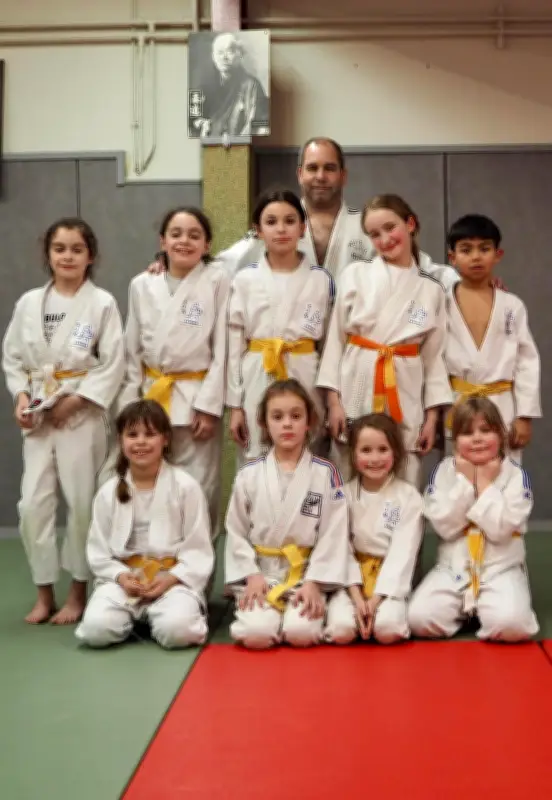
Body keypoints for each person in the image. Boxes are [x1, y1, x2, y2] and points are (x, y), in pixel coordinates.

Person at [2, 218, 125, 624]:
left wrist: (75, 401)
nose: (67, 256)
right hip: (39, 415)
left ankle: (77, 593)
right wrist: (21, 397)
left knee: (82, 503)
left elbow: (113, 363)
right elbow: (13, 358)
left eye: (76, 249)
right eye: (59, 248)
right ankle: (43, 593)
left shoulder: (101, 303)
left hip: (82, 414)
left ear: (91, 256)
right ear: (48, 254)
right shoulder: (28, 303)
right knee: (31, 505)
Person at [317, 194, 452, 486]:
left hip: (405, 385)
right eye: (374, 234)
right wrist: (334, 403)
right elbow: (335, 342)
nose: (385, 239)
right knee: (351, 463)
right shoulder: (354, 275)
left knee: (404, 468)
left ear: (410, 224)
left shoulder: (432, 289)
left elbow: (434, 360)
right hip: (357, 379)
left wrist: (431, 419)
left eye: (390, 227)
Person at [117, 207, 229, 534]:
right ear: (162, 241)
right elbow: (131, 348)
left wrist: (209, 407)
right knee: (153, 485)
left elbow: (223, 348)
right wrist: (130, 403)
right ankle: (157, 556)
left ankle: (199, 562)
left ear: (207, 245)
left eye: (194, 235)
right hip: (151, 396)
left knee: (200, 486)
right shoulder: (142, 284)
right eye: (176, 234)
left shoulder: (218, 280)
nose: (184, 241)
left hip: (196, 399)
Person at [76, 400, 214, 649]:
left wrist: (171, 579)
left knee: (178, 632)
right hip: (125, 580)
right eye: (132, 435)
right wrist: (121, 576)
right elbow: (99, 551)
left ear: (166, 439)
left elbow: (198, 549)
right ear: (121, 441)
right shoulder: (109, 492)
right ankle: (133, 618)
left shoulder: (186, 487)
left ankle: (158, 618)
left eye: (150, 434)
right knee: (95, 631)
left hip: (172, 580)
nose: (141, 442)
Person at [224, 379, 349, 649]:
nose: (287, 424)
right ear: (264, 423)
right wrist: (251, 575)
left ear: (309, 422)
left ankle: (314, 605)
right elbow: (235, 530)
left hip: (305, 575)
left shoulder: (326, 473)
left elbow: (333, 533)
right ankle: (266, 613)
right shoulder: (249, 474)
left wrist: (314, 582)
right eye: (277, 417)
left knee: (301, 634)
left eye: (296, 416)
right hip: (262, 575)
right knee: (256, 635)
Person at [409, 396, 538, 642]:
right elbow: (445, 527)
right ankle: (469, 611)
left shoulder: (515, 475)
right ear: (455, 440)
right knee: (418, 619)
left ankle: (488, 606)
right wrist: (466, 483)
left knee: (512, 624)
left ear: (501, 434)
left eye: (486, 430)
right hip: (453, 569)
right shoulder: (444, 471)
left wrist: (485, 484)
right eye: (467, 433)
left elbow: (500, 531)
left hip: (500, 568)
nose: (477, 438)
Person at [227, 189, 334, 462]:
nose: (281, 229)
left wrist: (332, 399)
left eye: (289, 221)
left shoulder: (321, 280)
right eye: (271, 222)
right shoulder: (244, 280)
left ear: (302, 228)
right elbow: (233, 348)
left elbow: (331, 345)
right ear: (258, 230)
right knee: (256, 454)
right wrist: (235, 406)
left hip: (305, 370)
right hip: (257, 370)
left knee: (308, 453)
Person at [443, 214, 541, 462]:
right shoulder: (438, 302)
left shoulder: (512, 305)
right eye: (466, 250)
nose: (476, 257)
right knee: (459, 474)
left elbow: (527, 363)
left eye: (484, 249)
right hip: (458, 403)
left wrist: (524, 416)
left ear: (498, 255)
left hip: (502, 406)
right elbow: (429, 355)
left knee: (505, 473)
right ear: (452, 258)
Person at [324, 413, 424, 645]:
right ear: (353, 454)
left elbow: (403, 552)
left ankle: (381, 611)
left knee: (388, 630)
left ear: (395, 452)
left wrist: (376, 600)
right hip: (350, 583)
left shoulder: (409, 497)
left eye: (383, 449)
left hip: (388, 582)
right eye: (366, 450)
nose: (375, 458)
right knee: (341, 631)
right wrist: (358, 599)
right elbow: (340, 548)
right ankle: (353, 611)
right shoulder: (342, 495)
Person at [189, 33, 269, 139]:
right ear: (213, 57)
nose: (224, 57)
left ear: (240, 55)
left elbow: (261, 124)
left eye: (230, 51)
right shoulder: (202, 86)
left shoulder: (252, 85)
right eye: (219, 52)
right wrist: (201, 124)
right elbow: (192, 121)